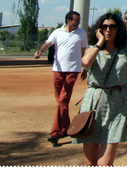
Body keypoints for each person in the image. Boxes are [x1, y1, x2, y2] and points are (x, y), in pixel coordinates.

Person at [74, 12, 127, 166]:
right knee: (89, 163)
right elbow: (86, 62)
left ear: (119, 29)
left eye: (112, 26)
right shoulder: (92, 49)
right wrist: (100, 42)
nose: (108, 30)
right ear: (99, 29)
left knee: (105, 163)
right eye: (104, 27)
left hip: (117, 104)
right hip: (94, 103)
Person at [34, 10, 88, 146]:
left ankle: (55, 133)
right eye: (76, 20)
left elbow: (84, 51)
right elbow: (48, 43)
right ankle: (65, 128)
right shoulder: (57, 32)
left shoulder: (81, 33)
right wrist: (41, 51)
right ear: (69, 21)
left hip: (72, 71)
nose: (79, 22)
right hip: (58, 70)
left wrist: (84, 67)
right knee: (61, 101)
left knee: (63, 100)